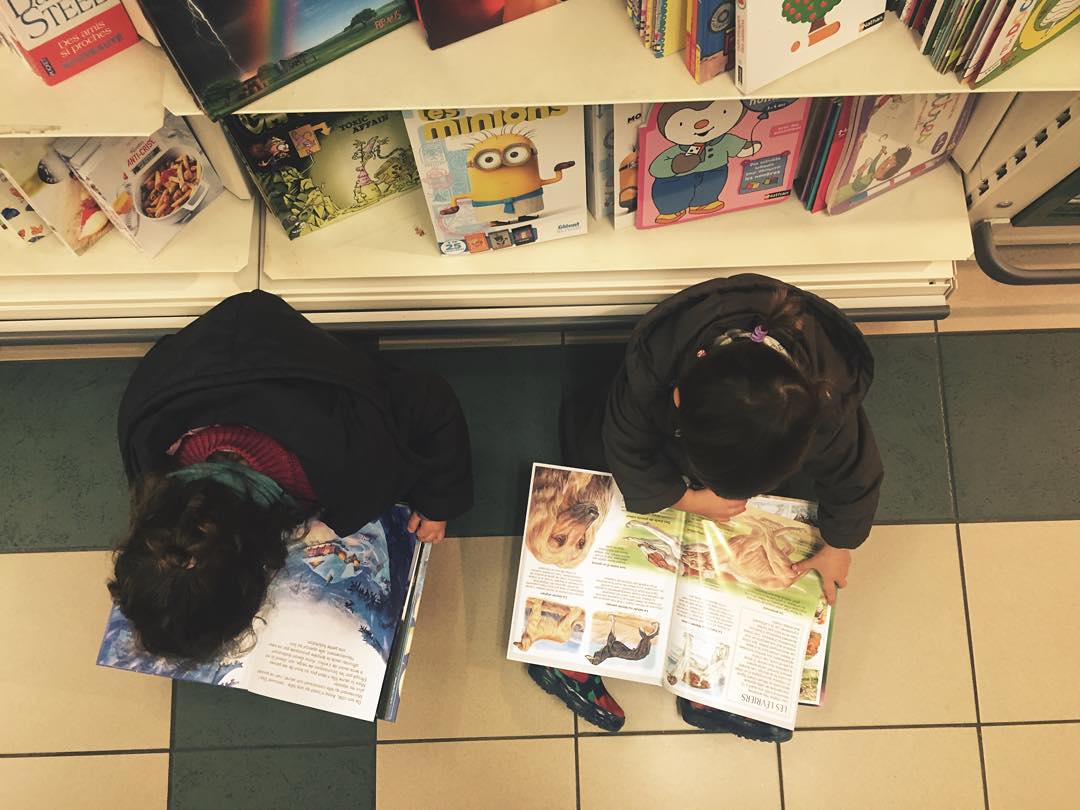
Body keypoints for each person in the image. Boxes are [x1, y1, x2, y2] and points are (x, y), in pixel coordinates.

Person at [531, 274, 883, 739]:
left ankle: (711, 683)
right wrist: (686, 498)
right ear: (678, 398)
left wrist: (839, 544)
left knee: (778, 527)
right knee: (598, 463)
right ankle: (560, 656)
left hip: (728, 433)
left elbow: (857, 476)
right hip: (651, 430)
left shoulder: (825, 405)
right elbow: (624, 444)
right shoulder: (655, 369)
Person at [108, 291, 473, 660]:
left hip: (317, 366)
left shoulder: (354, 465)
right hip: (193, 362)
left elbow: (431, 399)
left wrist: (438, 502)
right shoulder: (143, 441)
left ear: (263, 574)